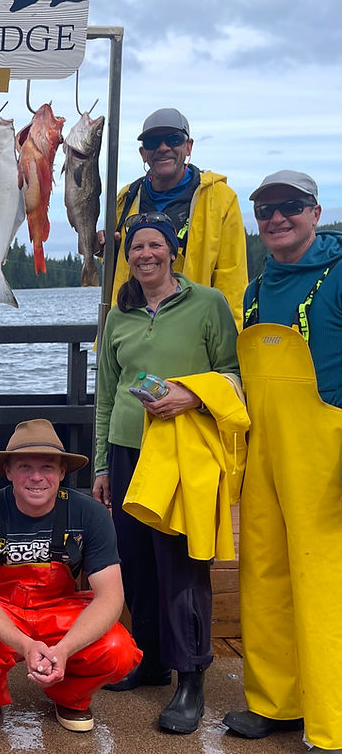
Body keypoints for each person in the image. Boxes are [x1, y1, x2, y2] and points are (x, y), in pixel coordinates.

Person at [92, 212, 241, 733]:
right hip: (130, 455)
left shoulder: (209, 304)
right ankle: (151, 660)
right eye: (136, 248)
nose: (145, 255)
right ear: (127, 257)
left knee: (181, 569)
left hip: (182, 456)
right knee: (134, 562)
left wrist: (192, 395)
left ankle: (191, 679)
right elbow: (107, 395)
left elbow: (234, 374)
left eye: (155, 245)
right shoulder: (119, 314)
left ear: (172, 251)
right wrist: (103, 463)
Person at [223, 171, 342, 751]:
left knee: (325, 578)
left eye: (289, 207)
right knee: (264, 575)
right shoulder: (255, 289)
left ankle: (333, 718)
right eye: (265, 210)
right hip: (266, 450)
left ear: (315, 212)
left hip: (326, 449)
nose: (276, 218)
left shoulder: (339, 274)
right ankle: (276, 701)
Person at [0, 419, 141, 734]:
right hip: (2, 608)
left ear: (63, 471)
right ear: (7, 470)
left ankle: (70, 697)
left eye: (47, 467)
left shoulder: (91, 515)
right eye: (24, 467)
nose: (36, 477)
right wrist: (24, 644)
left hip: (62, 608)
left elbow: (111, 597)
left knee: (119, 651)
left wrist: (64, 649)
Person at [99, 108, 248, 323]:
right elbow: (123, 266)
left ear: (188, 147)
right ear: (143, 153)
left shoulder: (221, 198)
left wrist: (229, 341)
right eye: (152, 142)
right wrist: (103, 249)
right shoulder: (127, 197)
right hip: (133, 329)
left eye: (173, 139)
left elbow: (232, 280)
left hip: (194, 330)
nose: (163, 148)